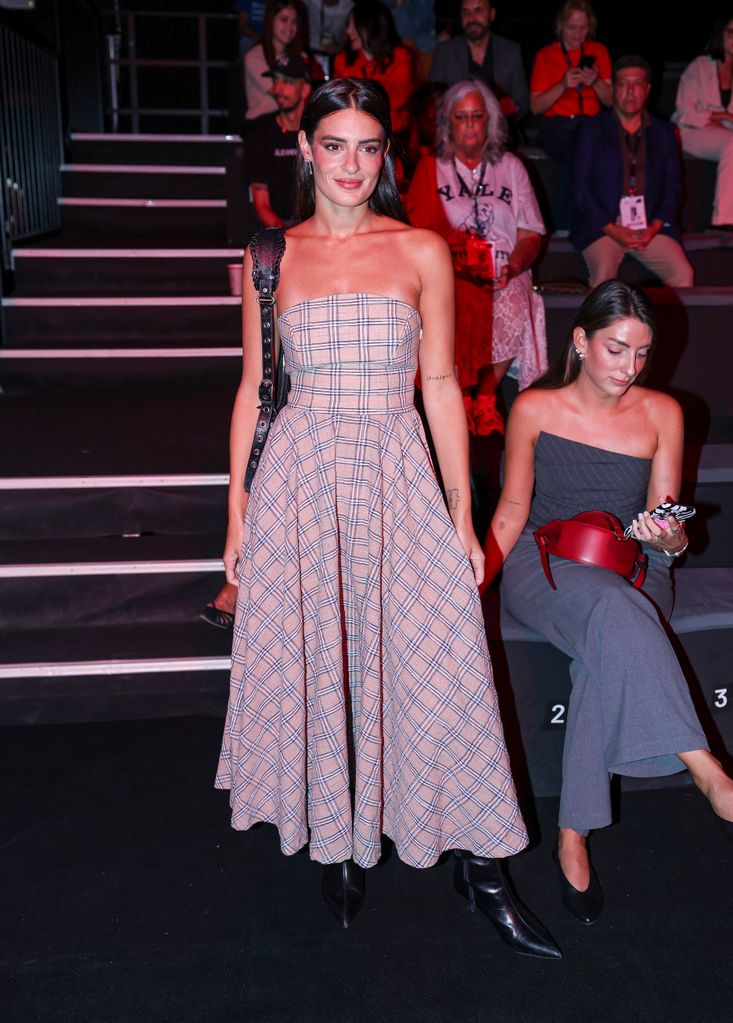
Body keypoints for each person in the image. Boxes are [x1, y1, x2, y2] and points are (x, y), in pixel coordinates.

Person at [215, 76, 561, 959]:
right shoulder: (269, 255)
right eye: (334, 145)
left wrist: (461, 510)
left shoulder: (419, 248)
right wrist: (236, 519)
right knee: (326, 657)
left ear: (384, 157)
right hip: (300, 476)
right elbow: (255, 392)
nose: (351, 164)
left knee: (447, 664)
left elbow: (441, 384)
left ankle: (483, 867)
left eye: (369, 148)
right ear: (304, 149)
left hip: (398, 467)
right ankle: (339, 844)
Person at [480, 279, 733, 924]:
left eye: (642, 354)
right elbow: (512, 509)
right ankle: (705, 768)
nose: (630, 368)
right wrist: (473, 581)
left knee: (610, 633)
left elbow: (669, 528)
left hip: (637, 567)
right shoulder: (535, 408)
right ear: (580, 341)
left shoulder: (662, 415)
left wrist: (669, 534)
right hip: (550, 564)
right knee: (613, 615)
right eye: (617, 349)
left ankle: (573, 831)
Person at [405, 80, 547, 435]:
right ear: (447, 124)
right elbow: (416, 238)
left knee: (518, 294)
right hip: (448, 270)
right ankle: (462, 398)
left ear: (491, 122)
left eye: (477, 116)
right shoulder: (429, 168)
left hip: (503, 269)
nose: (469, 124)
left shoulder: (512, 167)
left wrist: (513, 265)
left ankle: (485, 398)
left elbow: (530, 234)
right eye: (461, 117)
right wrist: (452, 267)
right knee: (458, 298)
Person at [571, 56, 694, 288]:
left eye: (637, 84)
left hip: (648, 227)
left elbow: (673, 186)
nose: (630, 91)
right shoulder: (591, 129)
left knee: (683, 273)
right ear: (614, 89)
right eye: (623, 84)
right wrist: (611, 228)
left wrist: (654, 227)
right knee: (604, 279)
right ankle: (600, 325)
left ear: (647, 89)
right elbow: (580, 186)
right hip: (604, 226)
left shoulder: (663, 131)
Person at [530, 1, 612, 161]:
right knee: (580, 150)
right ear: (560, 25)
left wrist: (596, 82)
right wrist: (562, 85)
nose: (578, 34)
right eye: (572, 28)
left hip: (591, 123)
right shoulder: (545, 56)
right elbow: (535, 107)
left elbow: (610, 101)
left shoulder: (599, 51)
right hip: (559, 127)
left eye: (583, 28)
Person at [673, 15, 733, 231]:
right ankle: (723, 221)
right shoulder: (699, 66)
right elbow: (685, 111)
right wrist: (720, 117)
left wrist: (724, 119)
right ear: (720, 35)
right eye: (731, 33)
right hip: (691, 132)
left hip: (724, 134)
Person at [429, 1, 529, 120]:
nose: (471, 18)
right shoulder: (445, 51)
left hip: (499, 131)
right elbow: (432, 100)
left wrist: (510, 109)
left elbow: (522, 102)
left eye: (478, 10)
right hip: (457, 131)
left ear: (492, 14)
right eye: (466, 12)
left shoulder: (510, 50)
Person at [244, 54, 312, 227]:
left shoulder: (319, 132)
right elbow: (262, 204)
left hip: (317, 227)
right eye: (276, 81)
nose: (278, 89)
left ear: (304, 89)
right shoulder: (259, 135)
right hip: (280, 228)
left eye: (287, 81)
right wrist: (285, 239)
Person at [333, 2, 417, 136]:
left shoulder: (400, 59)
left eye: (354, 25)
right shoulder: (343, 62)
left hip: (392, 138)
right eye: (348, 25)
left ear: (371, 27)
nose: (348, 31)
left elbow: (397, 112)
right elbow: (339, 105)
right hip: (351, 133)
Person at [244, 0, 308, 121]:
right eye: (284, 20)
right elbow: (280, 93)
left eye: (294, 22)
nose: (290, 27)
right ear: (271, 21)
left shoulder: (300, 56)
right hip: (260, 124)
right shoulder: (254, 56)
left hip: (290, 123)